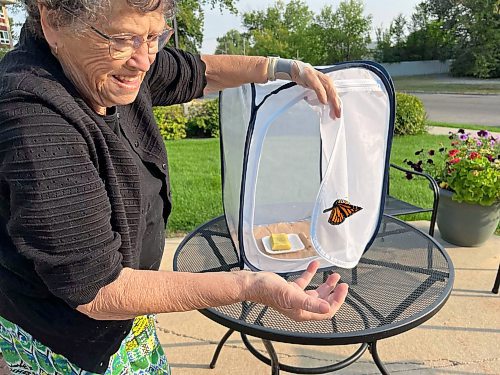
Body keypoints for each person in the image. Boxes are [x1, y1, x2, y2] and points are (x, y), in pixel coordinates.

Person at [0, 0, 347, 373]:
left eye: (154, 36)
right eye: (122, 40)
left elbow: (198, 72)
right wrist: (249, 286)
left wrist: (280, 69)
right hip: (69, 341)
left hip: (129, 307)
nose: (144, 60)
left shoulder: (101, 64)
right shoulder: (33, 120)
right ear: (53, 22)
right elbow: (97, 289)